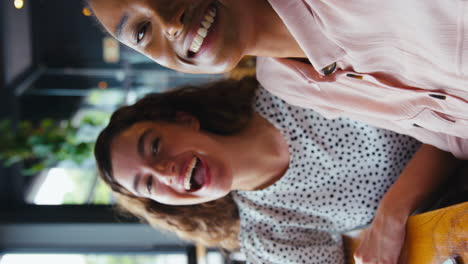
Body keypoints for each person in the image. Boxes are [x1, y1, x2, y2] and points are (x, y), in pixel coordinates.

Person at [94, 77, 459, 263]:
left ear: (184, 120)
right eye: (148, 184)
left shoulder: (287, 83)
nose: (163, 170)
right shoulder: (267, 238)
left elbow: (441, 102)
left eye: (154, 146)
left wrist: (392, 212)